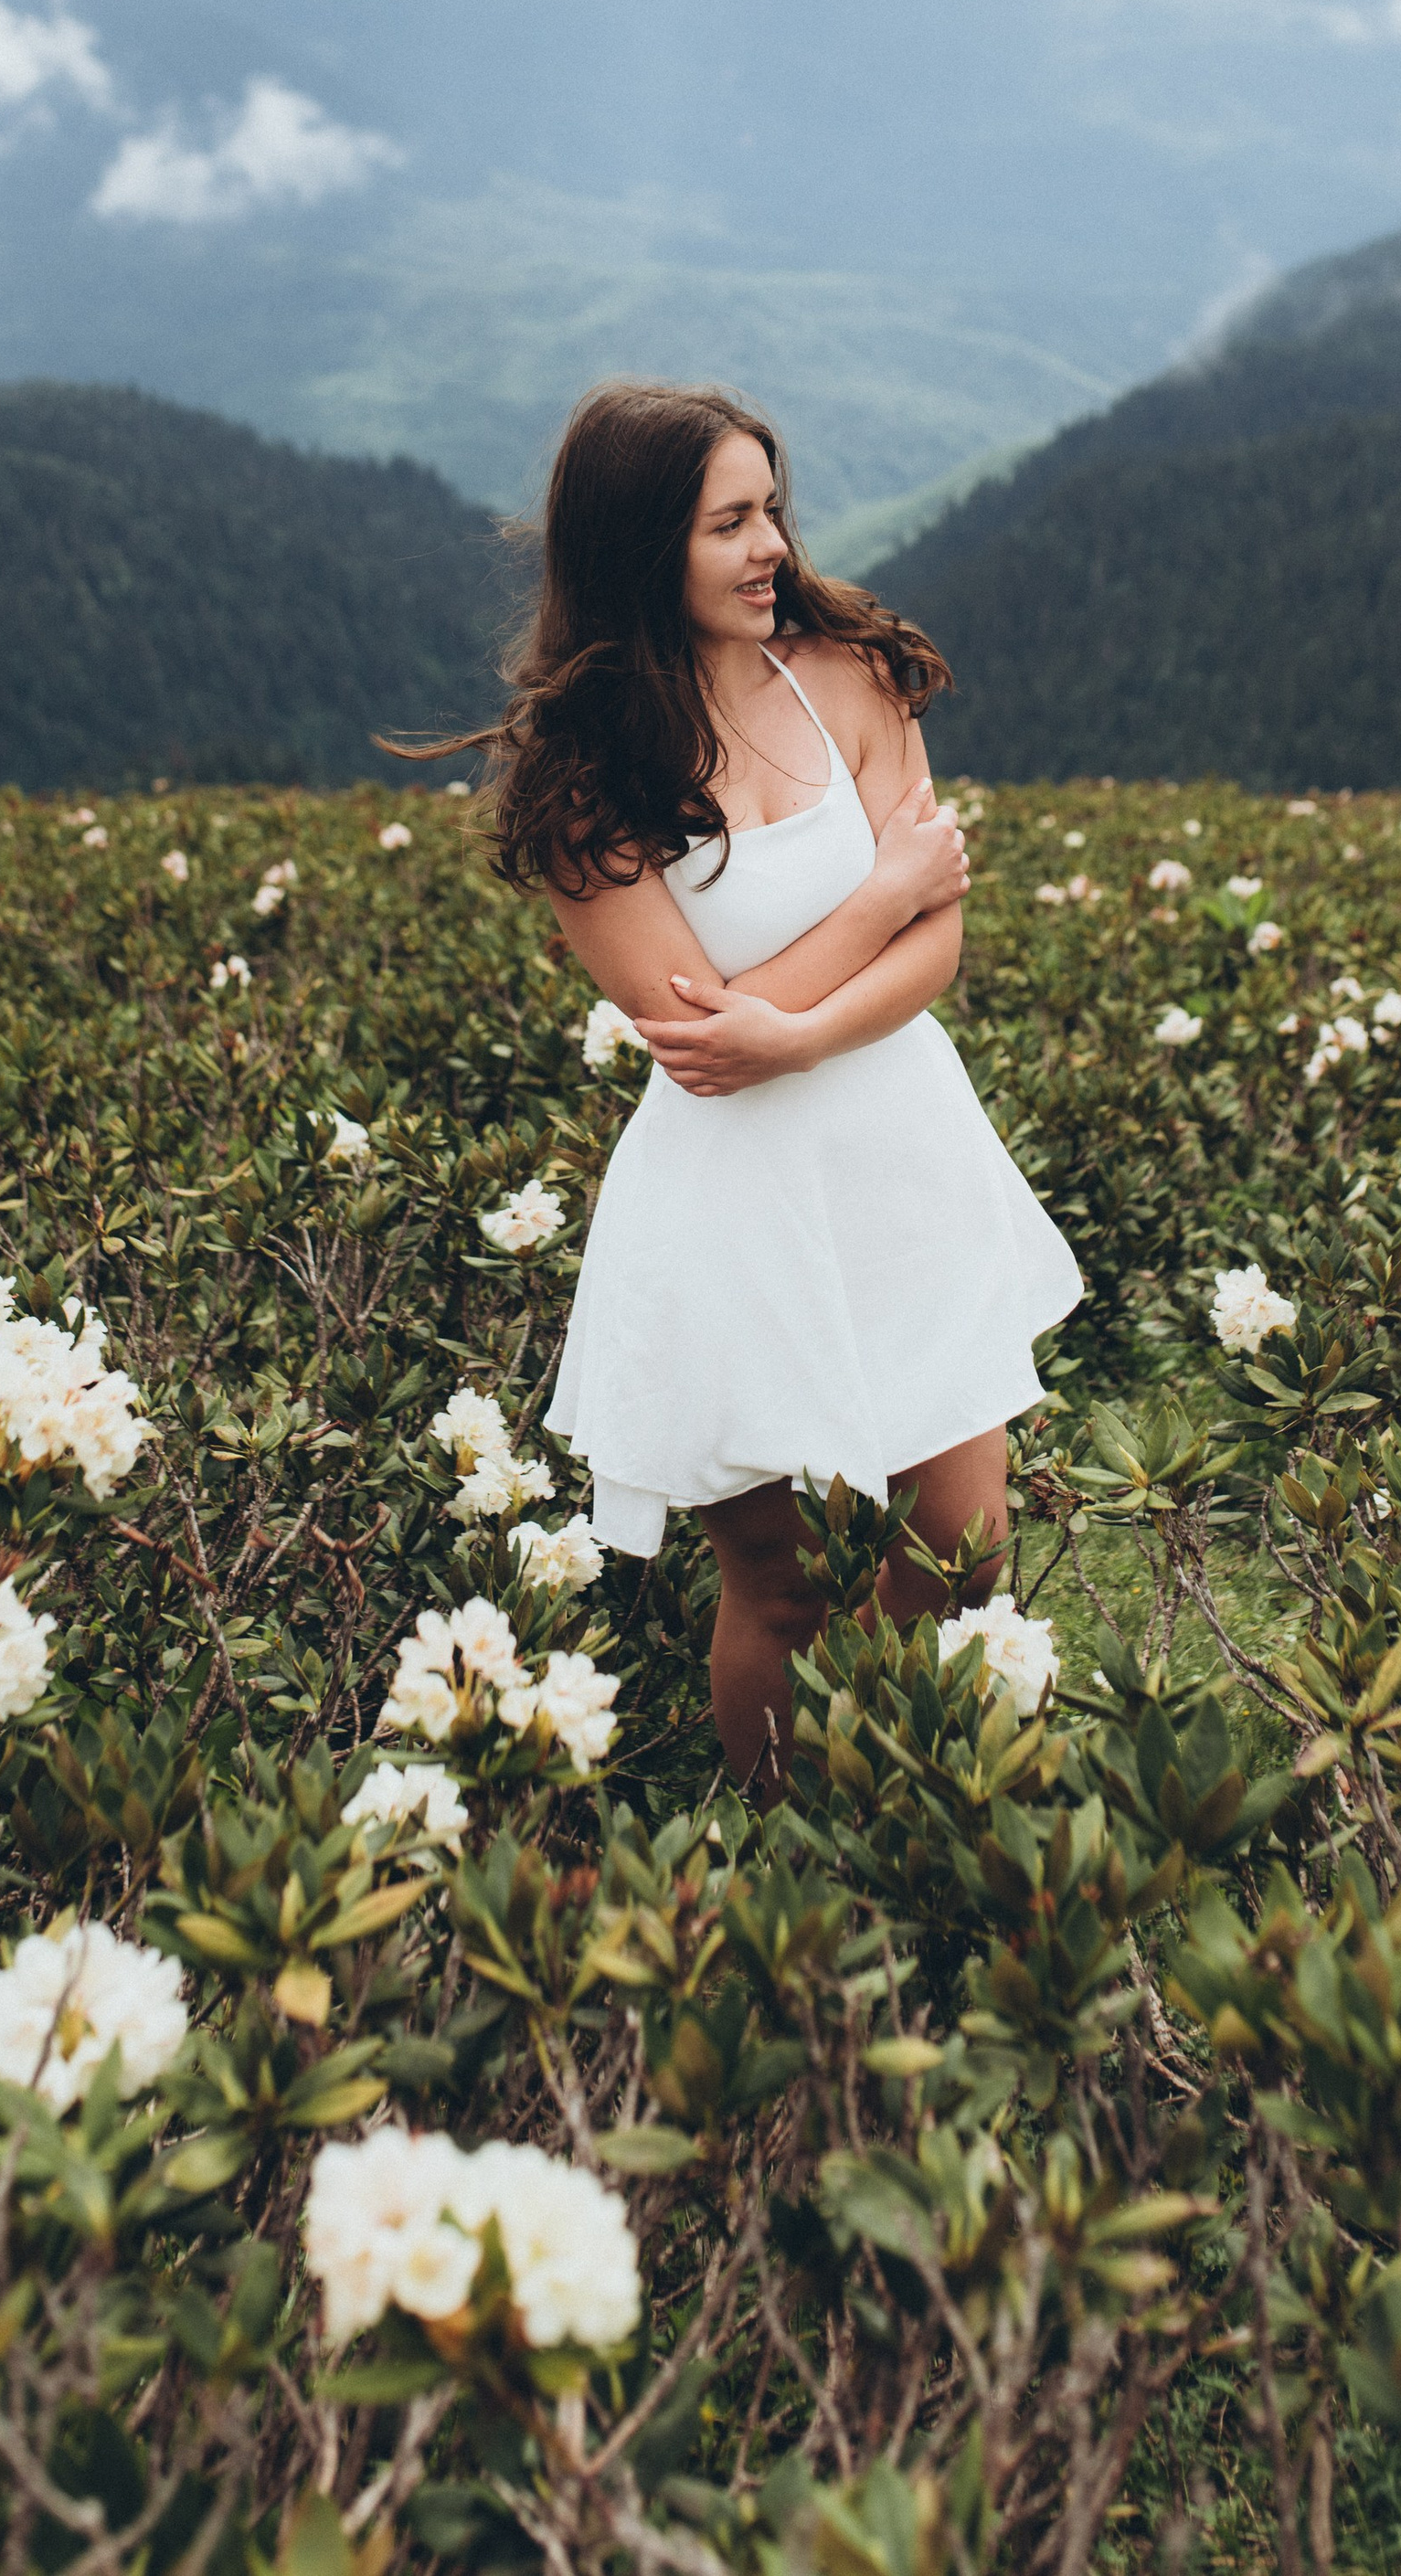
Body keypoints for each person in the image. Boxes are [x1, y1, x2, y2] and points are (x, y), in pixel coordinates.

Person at [464, 379, 1080, 1789]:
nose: (768, 548)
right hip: (733, 1208)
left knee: (966, 1544)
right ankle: (784, 1852)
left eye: (770, 512)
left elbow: (939, 949)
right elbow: (701, 1037)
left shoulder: (848, 674)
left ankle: (900, 1802)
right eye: (726, 523)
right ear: (637, 550)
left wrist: (799, 1030)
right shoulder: (584, 778)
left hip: (904, 1157)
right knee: (784, 1588)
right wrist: (878, 907)